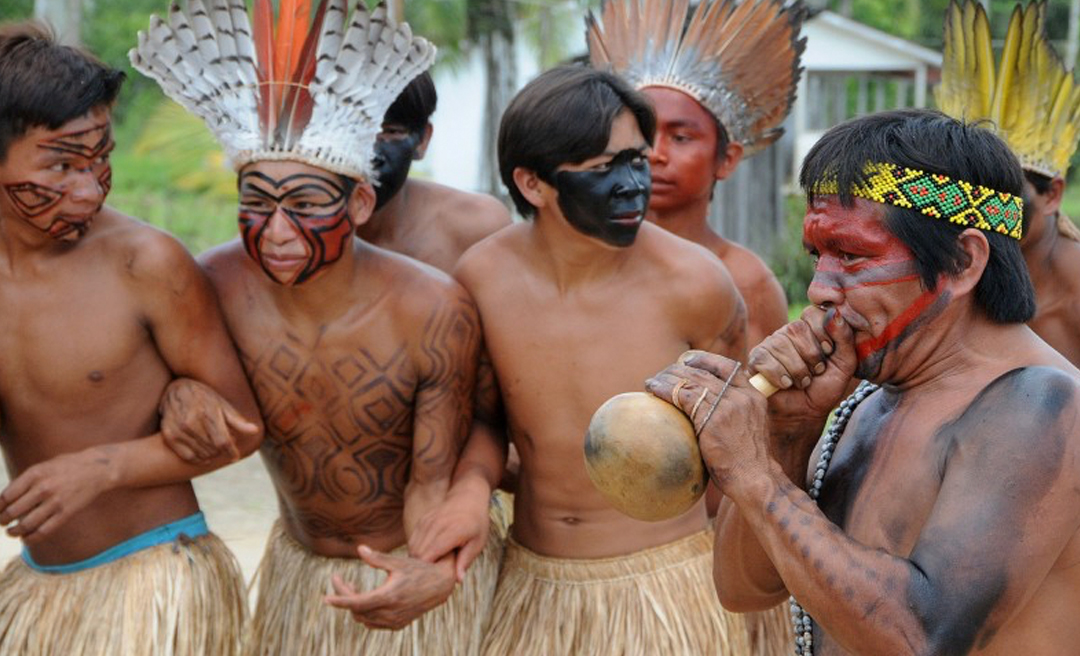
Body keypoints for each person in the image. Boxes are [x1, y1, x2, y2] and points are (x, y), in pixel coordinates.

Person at [131, 2, 502, 654]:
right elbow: (163, 383)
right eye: (255, 204)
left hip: (411, 562)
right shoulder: (210, 283)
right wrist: (177, 391)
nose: (276, 234)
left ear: (358, 203)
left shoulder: (435, 307)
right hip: (298, 571)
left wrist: (426, 574)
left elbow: (431, 479)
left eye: (304, 205)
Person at [648, 108, 1080, 655]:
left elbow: (922, 640)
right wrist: (788, 430)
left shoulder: (1039, 404)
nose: (821, 289)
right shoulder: (874, 395)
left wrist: (755, 475)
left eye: (851, 256)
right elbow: (744, 589)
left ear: (964, 260)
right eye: (817, 255)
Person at [412, 63, 757, 655]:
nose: (633, 186)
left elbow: (741, 447)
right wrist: (471, 491)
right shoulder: (481, 279)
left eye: (636, 161)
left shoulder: (696, 283)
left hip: (668, 585)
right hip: (535, 584)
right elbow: (486, 417)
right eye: (603, 170)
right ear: (532, 184)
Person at [0, 21, 263, 656]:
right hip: (40, 590)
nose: (89, 190)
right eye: (61, 164)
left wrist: (103, 467)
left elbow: (244, 430)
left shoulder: (144, 263)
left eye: (102, 160)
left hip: (157, 584)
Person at [586, 0, 804, 348]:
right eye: (642, 133)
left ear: (727, 159)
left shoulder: (746, 282)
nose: (654, 153)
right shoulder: (584, 261)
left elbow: (760, 400)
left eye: (681, 137)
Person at [937, 0, 1080, 365]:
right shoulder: (954, 279)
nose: (982, 210)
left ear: (1052, 195)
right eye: (969, 192)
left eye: (1005, 193)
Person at [359, 71, 512, 274]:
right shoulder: (304, 237)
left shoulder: (477, 227)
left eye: (392, 131)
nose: (372, 154)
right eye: (355, 129)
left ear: (423, 140)